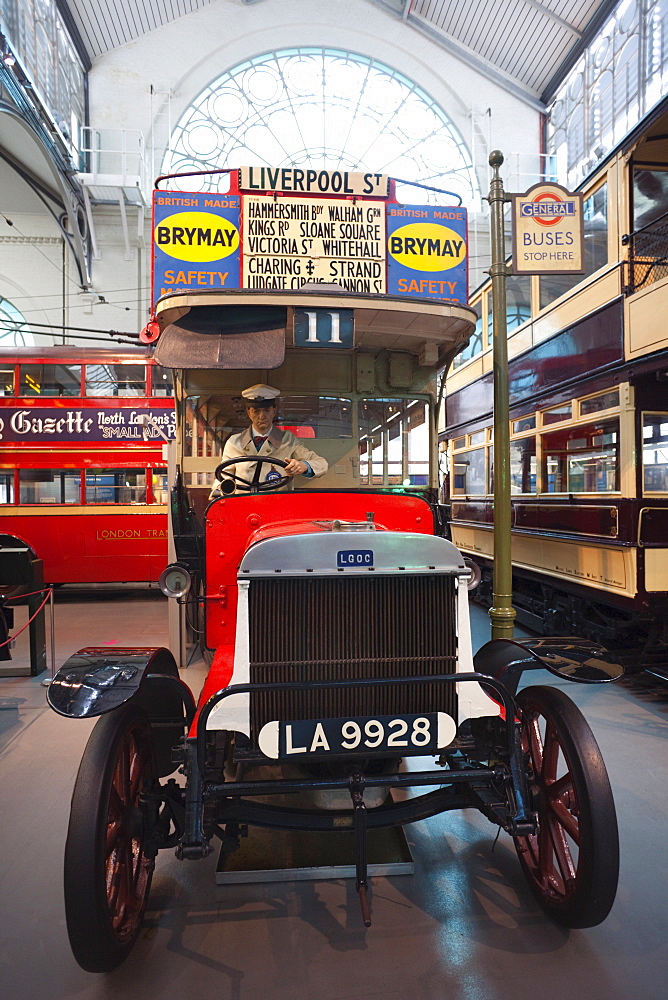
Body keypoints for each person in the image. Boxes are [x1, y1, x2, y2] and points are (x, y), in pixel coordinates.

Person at [209, 384, 328, 497]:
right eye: (256, 411)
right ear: (249, 412)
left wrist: (303, 466)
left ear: (274, 411)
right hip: (243, 505)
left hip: (277, 506)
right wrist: (218, 489)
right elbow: (224, 477)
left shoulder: (287, 440)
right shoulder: (234, 442)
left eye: (266, 410)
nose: (261, 416)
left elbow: (322, 464)